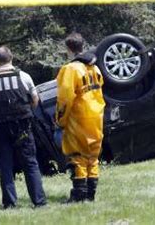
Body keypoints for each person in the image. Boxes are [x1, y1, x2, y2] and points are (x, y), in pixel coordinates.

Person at [0, 46, 46, 209]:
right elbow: (35, 98)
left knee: (5, 164)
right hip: (22, 125)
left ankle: (10, 203)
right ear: (12, 58)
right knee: (30, 163)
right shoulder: (23, 76)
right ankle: (39, 202)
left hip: (1, 127)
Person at [55, 32, 105, 202]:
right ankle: (91, 194)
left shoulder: (70, 69)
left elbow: (65, 99)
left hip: (78, 118)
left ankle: (79, 195)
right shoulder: (95, 67)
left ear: (68, 49)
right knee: (92, 157)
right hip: (96, 117)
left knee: (78, 157)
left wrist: (60, 120)